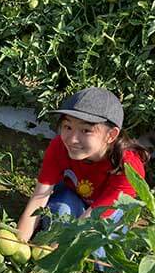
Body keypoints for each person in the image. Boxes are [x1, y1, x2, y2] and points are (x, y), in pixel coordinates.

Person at [17, 87, 150, 243]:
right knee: (59, 213)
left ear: (111, 135)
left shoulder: (127, 168)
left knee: (101, 242)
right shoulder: (59, 147)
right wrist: (19, 242)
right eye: (67, 127)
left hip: (105, 212)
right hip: (75, 195)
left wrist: (56, 253)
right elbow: (40, 197)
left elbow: (93, 217)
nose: (72, 139)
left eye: (86, 130)